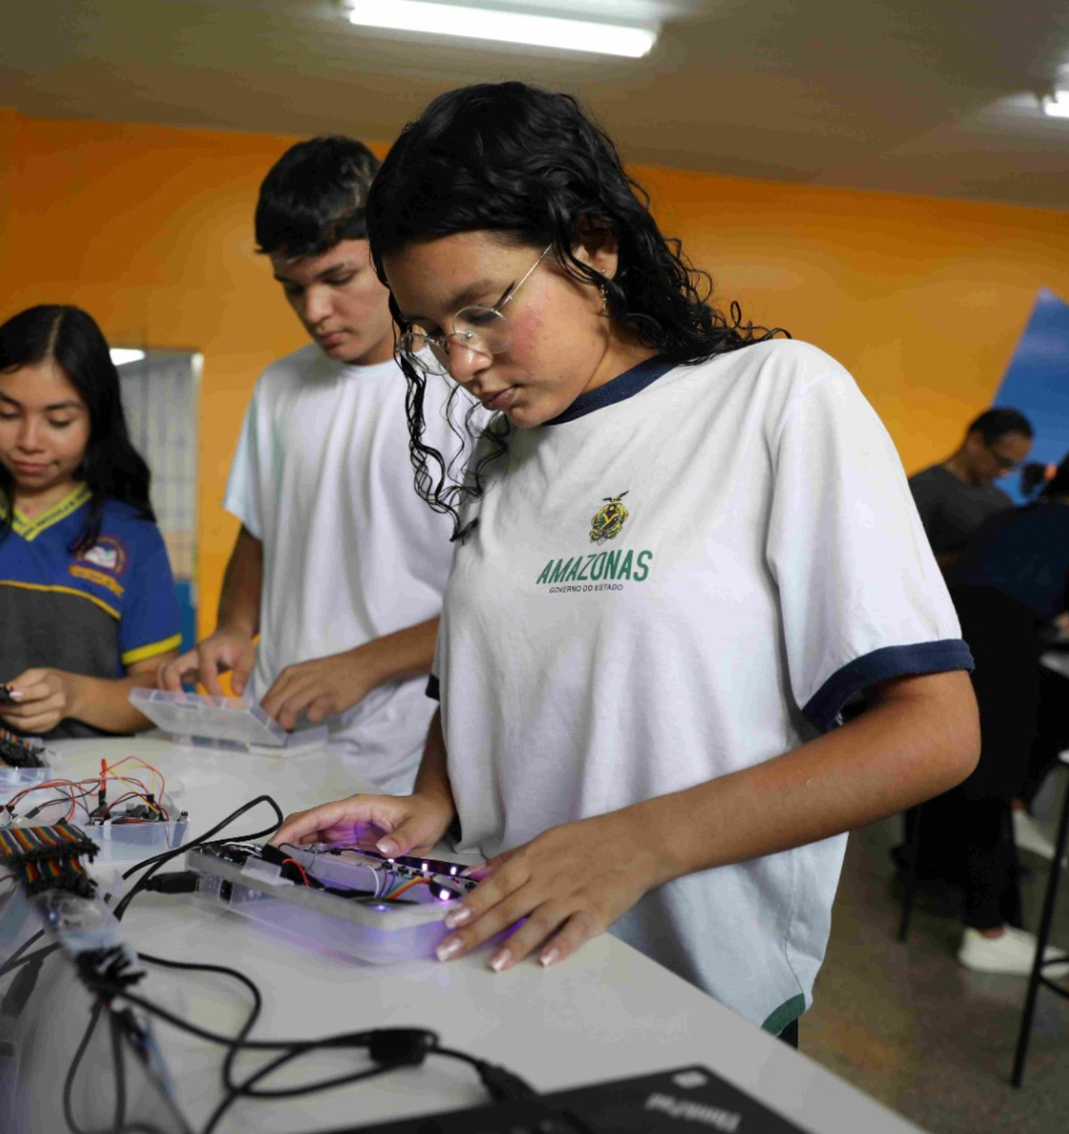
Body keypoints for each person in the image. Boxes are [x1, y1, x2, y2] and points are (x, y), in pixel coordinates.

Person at [274, 83, 980, 1041]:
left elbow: (935, 732)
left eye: (482, 311)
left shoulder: (776, 402)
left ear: (593, 246)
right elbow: (483, 683)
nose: (462, 362)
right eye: (432, 330)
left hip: (701, 1001)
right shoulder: (501, 456)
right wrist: (430, 805)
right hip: (506, 962)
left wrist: (642, 845)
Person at [157, 137, 465, 793]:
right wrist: (236, 629)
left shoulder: (469, 389)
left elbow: (504, 598)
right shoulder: (279, 386)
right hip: (278, 734)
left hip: (410, 755)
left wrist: (362, 665)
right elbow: (261, 530)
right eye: (292, 288)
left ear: (390, 251)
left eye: (337, 279)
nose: (314, 312)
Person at [0, 305, 182, 739]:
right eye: (7, 413)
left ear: (97, 420)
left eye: (58, 420)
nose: (28, 441)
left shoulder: (132, 537)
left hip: (88, 791)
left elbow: (158, 692)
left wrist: (74, 694)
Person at [918, 458, 1069, 972]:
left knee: (954, 767)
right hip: (1005, 650)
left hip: (945, 639)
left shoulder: (1010, 518)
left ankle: (933, 873)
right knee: (993, 785)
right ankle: (988, 929)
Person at [908, 408, 1033, 570]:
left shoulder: (1002, 501)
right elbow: (904, 564)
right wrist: (972, 560)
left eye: (1013, 466)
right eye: (1002, 461)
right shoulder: (924, 488)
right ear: (976, 441)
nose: (1005, 473)